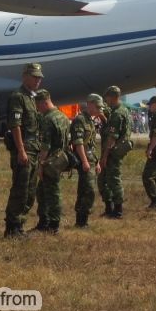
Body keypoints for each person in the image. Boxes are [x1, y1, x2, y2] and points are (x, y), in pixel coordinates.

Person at [3, 63, 43, 238]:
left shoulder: (32, 98)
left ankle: (19, 224)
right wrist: (21, 150)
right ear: (25, 76)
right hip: (24, 149)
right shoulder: (18, 97)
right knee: (20, 188)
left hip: (33, 150)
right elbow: (15, 125)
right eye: (34, 77)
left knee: (30, 190)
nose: (38, 80)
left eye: (39, 77)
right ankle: (12, 227)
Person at [35, 90, 70, 234]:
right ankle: (44, 222)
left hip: (50, 160)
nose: (38, 109)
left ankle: (53, 224)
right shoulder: (63, 116)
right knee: (42, 191)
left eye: (38, 106)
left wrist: (41, 165)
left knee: (52, 192)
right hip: (60, 158)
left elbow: (45, 145)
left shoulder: (47, 119)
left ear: (44, 102)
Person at [98, 85, 131, 219]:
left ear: (113, 97)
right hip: (116, 150)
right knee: (103, 180)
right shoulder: (122, 110)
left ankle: (117, 210)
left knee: (113, 180)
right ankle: (110, 208)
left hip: (113, 152)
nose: (106, 100)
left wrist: (104, 157)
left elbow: (111, 138)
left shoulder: (117, 114)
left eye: (107, 97)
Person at [71, 94, 102, 227]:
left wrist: (97, 162)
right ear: (90, 104)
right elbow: (78, 143)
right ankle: (81, 221)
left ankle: (84, 220)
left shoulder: (90, 120)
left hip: (91, 160)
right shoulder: (80, 120)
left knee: (89, 190)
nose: (100, 109)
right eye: (98, 106)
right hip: (85, 162)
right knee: (86, 189)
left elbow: (92, 145)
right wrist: (84, 161)